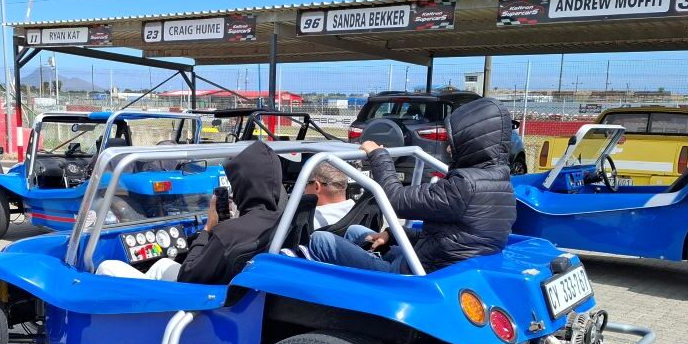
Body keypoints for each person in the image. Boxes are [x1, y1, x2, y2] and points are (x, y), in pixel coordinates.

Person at [309, 97, 517, 273]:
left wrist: (378, 155)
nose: (448, 148)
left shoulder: (465, 186)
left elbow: (395, 200)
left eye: (454, 142)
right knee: (355, 231)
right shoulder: (500, 183)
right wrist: (391, 235)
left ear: (471, 143)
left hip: (413, 274)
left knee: (320, 240)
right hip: (436, 263)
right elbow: (452, 238)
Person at [96, 140, 284, 284]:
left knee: (107, 267)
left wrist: (208, 229)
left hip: (195, 302)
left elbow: (188, 274)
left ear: (244, 185)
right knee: (161, 265)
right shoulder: (281, 222)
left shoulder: (229, 232)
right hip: (233, 293)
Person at [307, 162, 354, 229]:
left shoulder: (309, 219)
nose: (304, 189)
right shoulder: (360, 212)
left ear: (317, 186)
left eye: (307, 183)